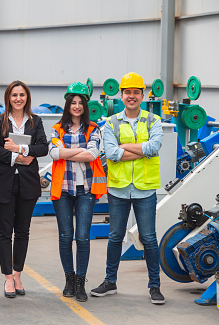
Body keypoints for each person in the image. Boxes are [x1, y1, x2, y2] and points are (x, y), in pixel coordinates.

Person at [90, 72, 165, 304]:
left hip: (145, 189)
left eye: (136, 92)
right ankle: (110, 281)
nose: (131, 96)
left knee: (149, 238)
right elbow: (111, 153)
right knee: (114, 237)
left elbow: (154, 148)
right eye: (127, 92)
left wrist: (126, 147)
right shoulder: (111, 122)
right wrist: (139, 149)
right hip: (119, 188)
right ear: (121, 95)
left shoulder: (154, 120)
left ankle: (155, 286)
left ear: (142, 95)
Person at [0, 80, 48, 298]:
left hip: (27, 184)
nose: (18, 99)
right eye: (14, 95)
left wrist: (20, 147)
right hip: (4, 184)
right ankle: (7, 278)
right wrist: (19, 156)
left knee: (22, 231)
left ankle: (18, 273)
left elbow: (43, 147)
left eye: (22, 95)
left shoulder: (35, 122)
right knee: (5, 232)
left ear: (27, 98)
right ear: (8, 98)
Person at [49, 82, 106, 302]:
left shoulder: (93, 128)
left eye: (80, 102)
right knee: (65, 236)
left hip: (86, 190)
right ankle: (69, 280)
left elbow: (92, 155)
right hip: (62, 188)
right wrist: (78, 151)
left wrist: (65, 152)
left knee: (82, 237)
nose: (76, 106)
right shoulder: (57, 128)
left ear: (85, 105)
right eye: (73, 102)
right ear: (67, 104)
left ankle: (81, 282)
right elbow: (52, 152)